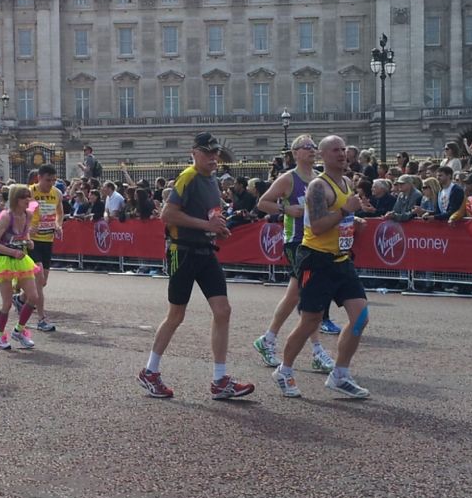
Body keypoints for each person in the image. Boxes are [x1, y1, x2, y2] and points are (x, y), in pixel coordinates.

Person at [136, 133, 255, 401]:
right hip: (183, 251)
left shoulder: (212, 180)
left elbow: (209, 215)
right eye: (208, 152)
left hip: (205, 250)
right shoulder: (188, 177)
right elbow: (167, 215)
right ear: (194, 153)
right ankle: (150, 371)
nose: (214, 157)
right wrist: (207, 226)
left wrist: (218, 228)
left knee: (223, 310)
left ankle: (219, 379)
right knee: (176, 315)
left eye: (216, 152)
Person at [272, 135, 373, 400]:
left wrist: (354, 219)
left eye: (343, 149)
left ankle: (340, 374)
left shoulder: (347, 182)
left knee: (361, 317)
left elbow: (341, 215)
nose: (342, 154)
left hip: (341, 259)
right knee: (310, 321)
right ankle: (284, 370)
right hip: (316, 260)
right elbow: (316, 225)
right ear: (323, 155)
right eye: (335, 150)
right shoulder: (318, 186)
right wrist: (344, 212)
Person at [253, 134, 336, 375]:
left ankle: (268, 339)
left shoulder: (320, 178)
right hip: (296, 242)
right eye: (307, 147)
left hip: (317, 241)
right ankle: (317, 351)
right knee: (309, 295)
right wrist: (286, 209)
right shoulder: (288, 179)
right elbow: (262, 203)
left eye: (313, 147)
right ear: (296, 152)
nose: (312, 150)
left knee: (294, 296)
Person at [0, 183, 44, 350]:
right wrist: (12, 252)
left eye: (28, 196)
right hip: (4, 260)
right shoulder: (6, 217)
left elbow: (23, 235)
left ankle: (19, 330)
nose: (28, 200)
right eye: (24, 197)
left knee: (33, 296)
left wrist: (29, 241)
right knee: (7, 304)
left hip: (21, 259)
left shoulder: (28, 215)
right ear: (16, 199)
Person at [23, 163, 64, 333]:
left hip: (48, 239)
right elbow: (19, 213)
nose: (51, 184)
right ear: (39, 178)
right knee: (39, 277)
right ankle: (41, 318)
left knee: (42, 282)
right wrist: (26, 228)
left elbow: (60, 212)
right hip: (32, 240)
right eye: (48, 180)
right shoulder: (29, 192)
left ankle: (21, 298)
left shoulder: (57, 193)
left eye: (53, 180)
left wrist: (58, 225)